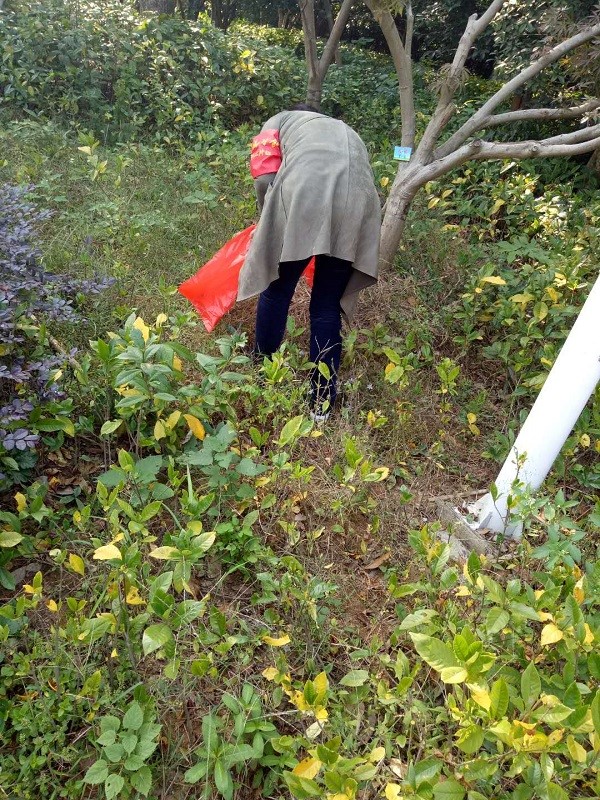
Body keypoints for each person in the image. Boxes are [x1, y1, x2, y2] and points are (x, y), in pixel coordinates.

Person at [237, 104, 381, 420]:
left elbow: (264, 179)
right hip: (358, 203)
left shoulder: (276, 121)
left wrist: (267, 223)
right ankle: (321, 403)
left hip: (305, 191)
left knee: (276, 291)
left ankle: (264, 375)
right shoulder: (348, 130)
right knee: (326, 306)